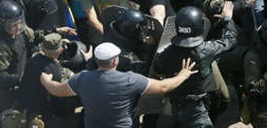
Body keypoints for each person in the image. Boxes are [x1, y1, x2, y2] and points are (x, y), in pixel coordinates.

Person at [40, 42, 198, 128]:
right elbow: (163, 87)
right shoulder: (130, 80)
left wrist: (45, 79)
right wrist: (183, 75)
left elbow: (56, 90)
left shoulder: (82, 79)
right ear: (116, 61)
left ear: (97, 60)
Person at [154, 5, 237, 128]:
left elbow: (157, 67)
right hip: (197, 112)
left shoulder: (168, 53)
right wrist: (228, 19)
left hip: (176, 109)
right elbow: (229, 40)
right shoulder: (205, 50)